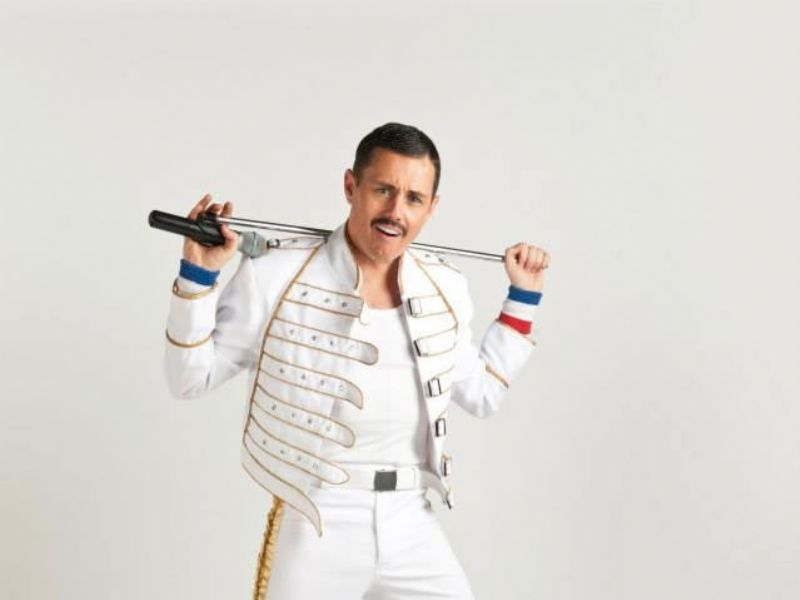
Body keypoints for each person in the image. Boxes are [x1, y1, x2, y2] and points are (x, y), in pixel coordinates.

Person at [163, 122, 550, 599]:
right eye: (383, 190)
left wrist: (522, 299)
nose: (395, 212)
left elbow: (483, 395)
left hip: (411, 516)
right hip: (317, 515)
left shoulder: (445, 287)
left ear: (432, 207)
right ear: (351, 186)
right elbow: (189, 378)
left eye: (413, 198)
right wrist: (198, 275)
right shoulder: (275, 274)